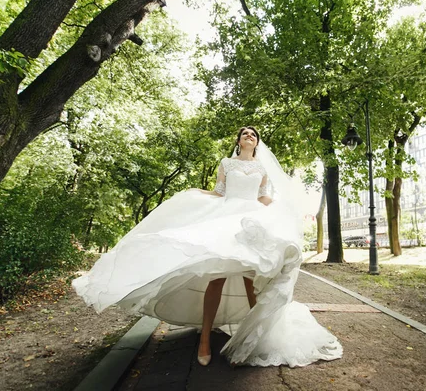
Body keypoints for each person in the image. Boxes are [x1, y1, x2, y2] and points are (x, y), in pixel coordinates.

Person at [72, 126, 342, 368]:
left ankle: (253, 340)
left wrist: (281, 213)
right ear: (238, 141)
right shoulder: (227, 163)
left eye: (254, 135)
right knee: (217, 278)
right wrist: (195, 194)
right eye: (245, 133)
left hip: (250, 221)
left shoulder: (261, 169)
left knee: (251, 280)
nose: (250, 136)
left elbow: (263, 197)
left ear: (256, 143)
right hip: (226, 219)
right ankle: (204, 339)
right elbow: (220, 192)